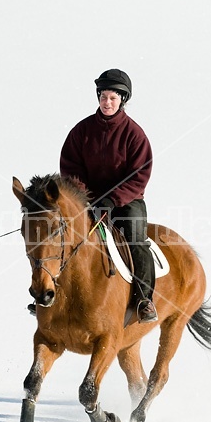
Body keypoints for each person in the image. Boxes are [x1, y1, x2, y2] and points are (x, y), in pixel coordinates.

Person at [59, 68, 158, 324]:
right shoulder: (80, 132)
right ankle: (51, 295)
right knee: (61, 236)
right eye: (103, 97)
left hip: (127, 201)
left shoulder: (135, 135)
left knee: (136, 240)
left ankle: (143, 299)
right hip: (88, 200)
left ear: (122, 100)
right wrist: (84, 198)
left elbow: (139, 174)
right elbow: (71, 168)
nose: (107, 102)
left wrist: (113, 200)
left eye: (113, 98)